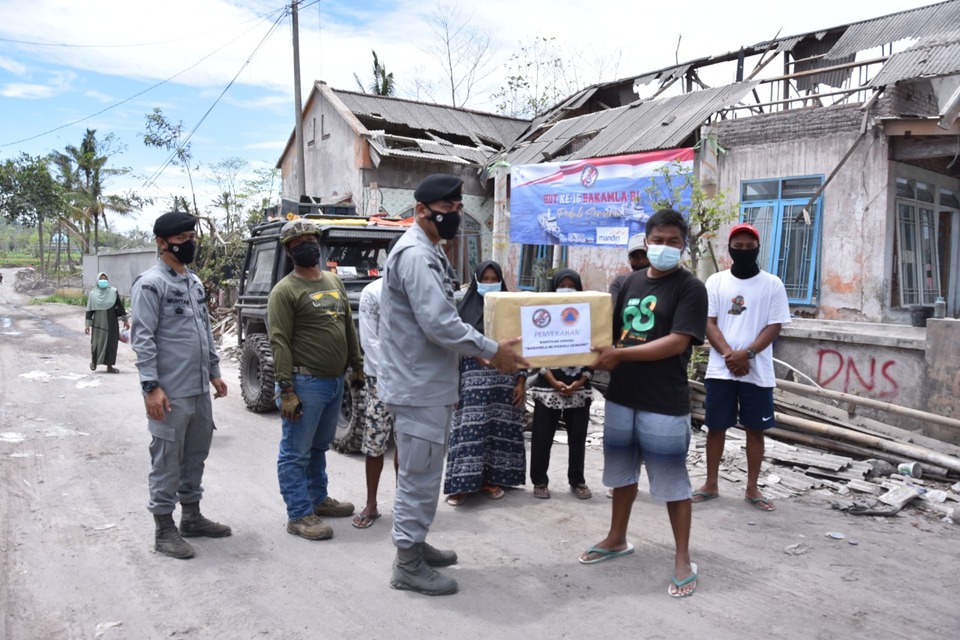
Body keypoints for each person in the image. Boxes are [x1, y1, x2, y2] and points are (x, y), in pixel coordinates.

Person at [378, 173, 526, 596]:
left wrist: (479, 350)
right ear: (421, 211)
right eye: (448, 210)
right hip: (417, 386)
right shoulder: (416, 256)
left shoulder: (431, 252)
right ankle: (406, 564)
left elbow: (444, 319)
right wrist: (491, 349)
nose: (455, 217)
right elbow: (440, 323)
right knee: (419, 477)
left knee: (423, 473)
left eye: (459, 209)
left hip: (429, 383)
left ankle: (416, 545)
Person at [585, 208, 707, 599]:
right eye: (658, 240)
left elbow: (677, 342)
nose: (665, 247)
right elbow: (600, 329)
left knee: (672, 483)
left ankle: (683, 558)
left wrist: (619, 355)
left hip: (664, 401)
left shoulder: (690, 288)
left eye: (674, 242)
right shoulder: (625, 283)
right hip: (622, 396)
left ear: (684, 246)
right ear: (646, 241)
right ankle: (617, 537)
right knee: (621, 476)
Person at [131, 211, 231, 560]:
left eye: (192, 237)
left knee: (195, 456)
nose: (190, 244)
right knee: (166, 460)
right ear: (162, 242)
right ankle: (164, 530)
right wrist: (150, 387)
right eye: (183, 239)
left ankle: (191, 517)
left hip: (199, 390)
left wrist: (214, 371)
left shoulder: (195, 282)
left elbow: (205, 330)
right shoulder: (150, 284)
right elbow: (142, 339)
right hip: (169, 393)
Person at [268, 219, 362, 541]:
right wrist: (286, 389)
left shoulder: (334, 281)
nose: (308, 245)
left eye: (312, 239)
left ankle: (317, 499)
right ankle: (298, 514)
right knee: (295, 453)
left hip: (335, 382)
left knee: (319, 447)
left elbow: (347, 325)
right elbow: (279, 341)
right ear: (290, 251)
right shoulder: (285, 291)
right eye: (300, 242)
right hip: (304, 383)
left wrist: (356, 366)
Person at [693, 223, 791, 511]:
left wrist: (747, 354)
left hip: (756, 371)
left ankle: (752, 488)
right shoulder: (716, 282)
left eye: (750, 247)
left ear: (758, 248)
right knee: (716, 427)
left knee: (755, 429)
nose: (744, 251)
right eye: (739, 246)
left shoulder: (773, 284)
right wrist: (728, 355)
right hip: (721, 370)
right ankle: (711, 483)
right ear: (730, 248)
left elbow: (775, 325)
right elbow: (708, 322)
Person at [443, 261, 527, 507]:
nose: (489, 284)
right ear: (476, 280)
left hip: (504, 381)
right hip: (471, 382)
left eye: (494, 279)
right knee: (470, 431)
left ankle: (493, 479)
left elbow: (522, 345)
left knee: (499, 430)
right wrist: (453, 386)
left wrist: (521, 381)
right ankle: (462, 485)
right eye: (485, 279)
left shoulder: (513, 310)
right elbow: (452, 351)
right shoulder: (461, 312)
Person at [529, 268, 594, 501]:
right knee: (542, 436)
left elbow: (595, 350)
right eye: (562, 284)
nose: (566, 288)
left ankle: (577, 481)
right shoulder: (543, 316)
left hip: (579, 387)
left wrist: (580, 381)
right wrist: (553, 381)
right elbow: (537, 350)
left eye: (571, 284)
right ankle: (539, 480)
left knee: (578, 437)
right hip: (548, 387)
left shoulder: (587, 318)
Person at [353, 238, 399, 530]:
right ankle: (371, 503)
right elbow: (370, 341)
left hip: (413, 381)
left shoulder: (419, 291)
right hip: (381, 381)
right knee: (375, 443)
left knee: (408, 446)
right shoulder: (373, 292)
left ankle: (404, 506)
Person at [85, 271, 128, 373]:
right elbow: (89, 310)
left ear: (108, 280)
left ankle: (109, 366)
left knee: (111, 343)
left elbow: (120, 306)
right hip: (98, 324)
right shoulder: (92, 294)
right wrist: (87, 325)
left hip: (111, 322)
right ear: (97, 281)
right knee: (96, 343)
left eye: (105, 279)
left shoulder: (113, 292)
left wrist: (125, 320)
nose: (103, 281)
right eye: (101, 279)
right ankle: (94, 362)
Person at [608, 232, 650, 300]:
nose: (641, 261)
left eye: (645, 255)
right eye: (636, 257)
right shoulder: (619, 283)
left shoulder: (663, 282)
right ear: (630, 259)